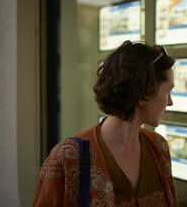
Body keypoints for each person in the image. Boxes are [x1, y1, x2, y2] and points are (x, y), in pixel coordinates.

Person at [33, 40, 177, 207]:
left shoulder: (159, 147)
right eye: (168, 91)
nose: (170, 102)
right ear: (144, 93)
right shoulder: (66, 159)